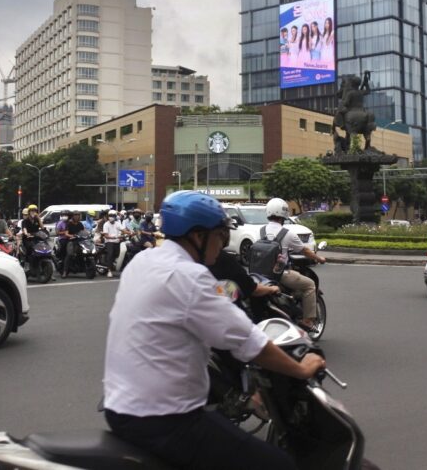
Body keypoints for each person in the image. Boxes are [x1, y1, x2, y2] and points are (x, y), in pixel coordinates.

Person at [102, 190, 323, 469]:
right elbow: (248, 341)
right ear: (198, 236)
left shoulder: (145, 262)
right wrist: (301, 369)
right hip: (165, 419)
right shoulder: (189, 277)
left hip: (122, 407)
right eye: (220, 235)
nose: (223, 242)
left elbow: (217, 310)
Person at [260, 198, 326, 332]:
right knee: (309, 285)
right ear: (284, 214)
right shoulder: (287, 233)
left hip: (262, 274)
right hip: (280, 274)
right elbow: (305, 250)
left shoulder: (261, 231)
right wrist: (319, 258)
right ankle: (307, 321)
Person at [62, 211, 87, 278]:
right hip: (71, 241)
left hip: (80, 241)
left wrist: (88, 234)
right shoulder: (69, 224)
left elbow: (84, 231)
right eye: (75, 215)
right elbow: (66, 233)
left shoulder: (80, 224)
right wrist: (72, 236)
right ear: (73, 216)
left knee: (85, 252)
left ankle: (85, 268)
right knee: (69, 254)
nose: (76, 216)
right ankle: (65, 271)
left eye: (78, 215)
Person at [102, 211, 124, 278]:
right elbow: (106, 235)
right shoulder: (106, 224)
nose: (111, 217)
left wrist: (130, 232)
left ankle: (114, 265)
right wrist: (114, 237)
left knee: (118, 254)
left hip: (117, 242)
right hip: (109, 242)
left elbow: (123, 230)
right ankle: (109, 271)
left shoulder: (118, 224)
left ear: (115, 216)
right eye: (110, 215)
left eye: (112, 215)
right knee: (110, 254)